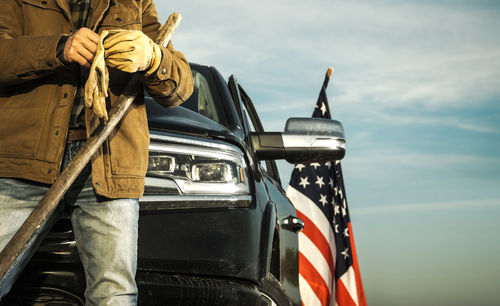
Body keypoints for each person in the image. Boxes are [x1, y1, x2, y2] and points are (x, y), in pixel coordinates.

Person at [0, 0, 193, 304]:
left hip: (109, 163)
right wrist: (59, 48)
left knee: (113, 296)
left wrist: (154, 58)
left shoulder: (137, 3)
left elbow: (181, 86)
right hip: (23, 161)